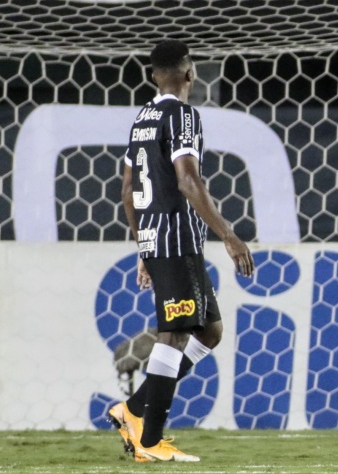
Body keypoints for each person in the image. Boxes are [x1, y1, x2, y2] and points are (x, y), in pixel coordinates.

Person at [108, 39, 255, 461]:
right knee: (173, 335)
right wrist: (228, 234)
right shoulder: (182, 115)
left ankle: (131, 411)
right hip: (175, 237)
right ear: (191, 74)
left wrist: (142, 245)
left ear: (154, 75)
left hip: (161, 237)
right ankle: (148, 443)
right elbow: (188, 182)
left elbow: (127, 189)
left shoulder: (142, 119)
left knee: (209, 330)